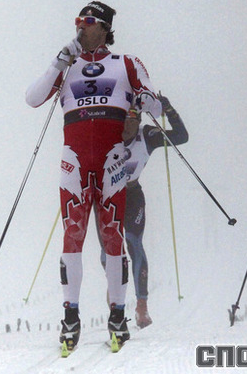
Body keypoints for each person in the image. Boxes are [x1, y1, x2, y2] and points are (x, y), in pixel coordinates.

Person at [26, 1, 162, 350]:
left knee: (113, 236)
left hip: (112, 159)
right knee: (72, 235)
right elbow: (32, 98)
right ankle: (70, 317)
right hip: (74, 159)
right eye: (78, 20)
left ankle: (117, 315)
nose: (80, 26)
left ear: (103, 27)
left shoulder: (126, 63)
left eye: (87, 21)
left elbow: (155, 103)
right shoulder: (67, 65)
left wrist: (136, 108)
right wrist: (60, 60)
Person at [98, 93, 188, 329]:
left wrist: (168, 109)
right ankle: (115, 297)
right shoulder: (107, 133)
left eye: (132, 121)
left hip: (132, 195)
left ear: (138, 121)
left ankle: (141, 306)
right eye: (123, 121)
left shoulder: (146, 135)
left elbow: (181, 136)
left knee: (134, 244)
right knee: (108, 252)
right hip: (107, 197)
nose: (126, 128)